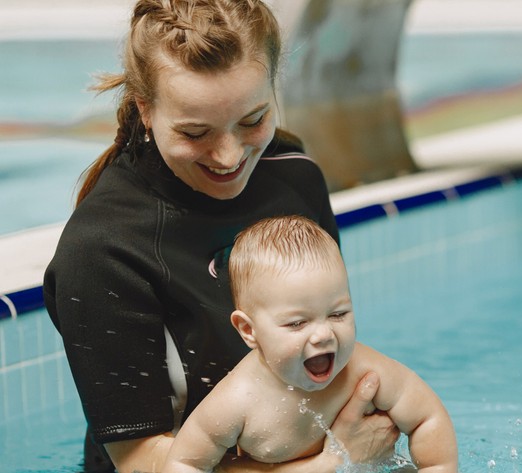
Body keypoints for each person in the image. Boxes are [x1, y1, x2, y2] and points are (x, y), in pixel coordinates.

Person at [42, 1, 399, 471]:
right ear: (145, 109)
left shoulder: (295, 177)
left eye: (253, 120)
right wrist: (334, 463)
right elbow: (140, 462)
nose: (229, 156)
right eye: (195, 132)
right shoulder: (102, 250)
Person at [162, 216, 458, 473]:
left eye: (338, 314)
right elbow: (185, 463)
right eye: (297, 323)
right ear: (249, 330)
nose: (323, 335)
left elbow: (427, 417)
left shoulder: (365, 371)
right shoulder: (236, 401)